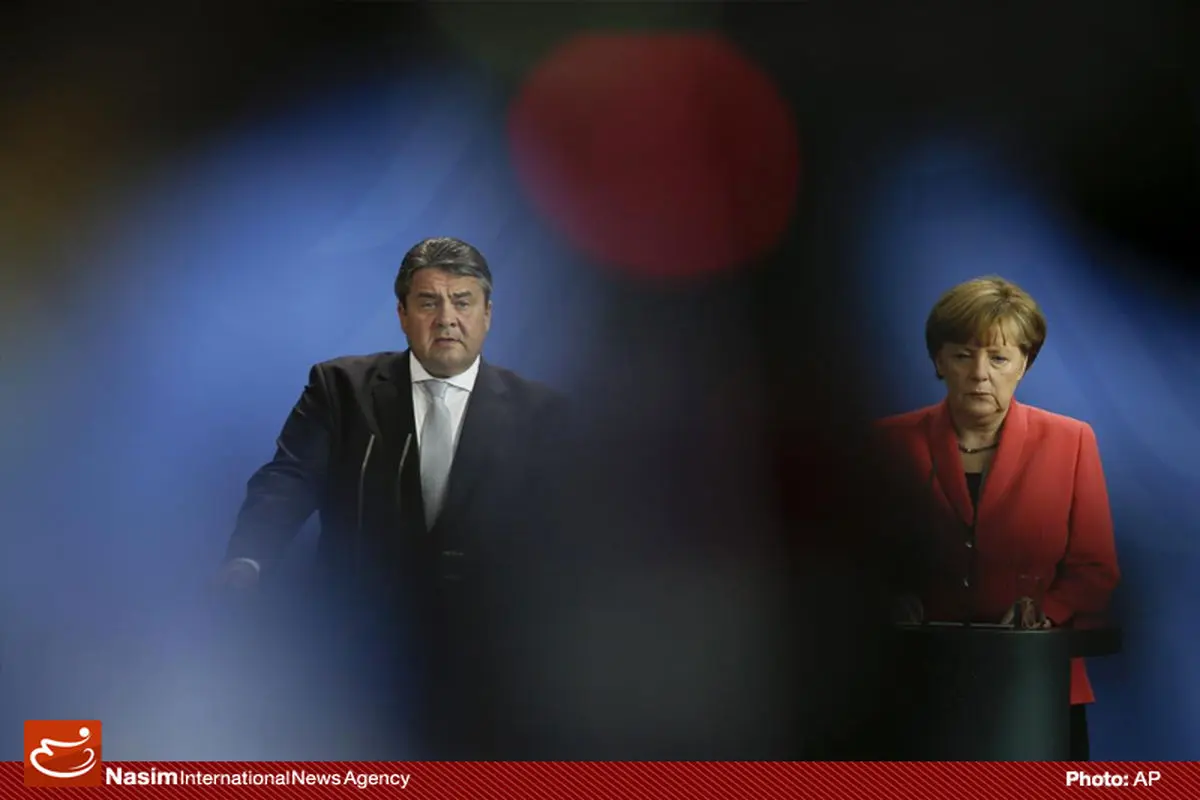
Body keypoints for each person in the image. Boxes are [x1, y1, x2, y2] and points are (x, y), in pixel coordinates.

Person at [215, 236, 567, 758]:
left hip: (487, 660)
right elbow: (288, 479)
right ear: (402, 314)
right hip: (359, 652)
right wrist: (249, 557)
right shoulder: (341, 388)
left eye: (463, 301)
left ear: (488, 314)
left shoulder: (542, 413)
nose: (447, 319)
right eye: (428, 302)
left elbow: (566, 533)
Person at [876, 276, 1120, 760]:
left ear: (1024, 364)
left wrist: (1047, 611)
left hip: (1037, 688)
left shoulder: (1072, 441)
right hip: (916, 684)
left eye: (999, 358)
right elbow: (855, 556)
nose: (979, 374)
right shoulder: (888, 442)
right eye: (963, 355)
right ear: (939, 361)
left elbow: (1096, 570)